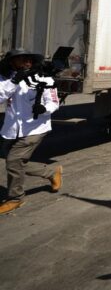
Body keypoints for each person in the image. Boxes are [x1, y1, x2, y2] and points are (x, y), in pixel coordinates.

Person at [0, 49, 62, 215]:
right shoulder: (5, 78)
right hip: (11, 129)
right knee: (16, 162)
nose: (26, 62)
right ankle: (51, 172)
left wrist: (44, 109)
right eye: (21, 59)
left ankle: (16, 198)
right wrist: (14, 81)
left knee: (14, 161)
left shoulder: (44, 78)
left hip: (35, 128)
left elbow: (54, 102)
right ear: (12, 62)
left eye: (28, 59)